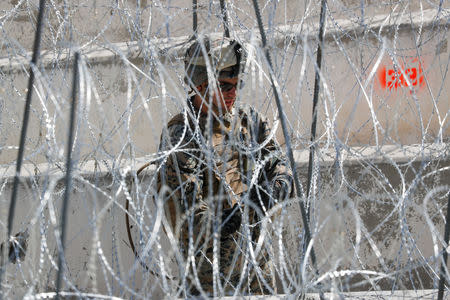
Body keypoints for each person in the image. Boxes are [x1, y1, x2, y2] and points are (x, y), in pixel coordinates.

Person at [156, 35, 293, 296]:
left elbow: (277, 162)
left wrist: (277, 186)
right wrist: (230, 218)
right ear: (200, 84)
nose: (233, 92)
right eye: (224, 85)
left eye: (236, 84)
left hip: (256, 263)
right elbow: (182, 214)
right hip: (212, 276)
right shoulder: (181, 137)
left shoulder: (249, 121)